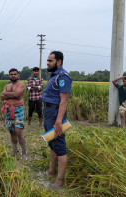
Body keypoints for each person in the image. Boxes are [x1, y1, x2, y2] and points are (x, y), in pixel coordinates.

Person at [42, 51, 72, 187]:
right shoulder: (54, 76)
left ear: (58, 62)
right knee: (52, 141)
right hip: (49, 111)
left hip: (55, 113)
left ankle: (59, 180)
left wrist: (59, 121)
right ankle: (51, 171)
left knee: (59, 144)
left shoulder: (63, 76)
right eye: (47, 61)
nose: (47, 63)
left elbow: (64, 101)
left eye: (50, 61)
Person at [1, 68, 27, 159]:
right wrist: (11, 94)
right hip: (8, 109)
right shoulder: (7, 86)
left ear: (18, 75)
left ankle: (24, 153)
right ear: (9, 76)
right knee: (12, 131)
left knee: (18, 131)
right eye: (11, 74)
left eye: (15, 74)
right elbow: (1, 96)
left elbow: (17, 95)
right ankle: (15, 150)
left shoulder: (21, 85)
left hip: (18, 109)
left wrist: (7, 94)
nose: (13, 75)